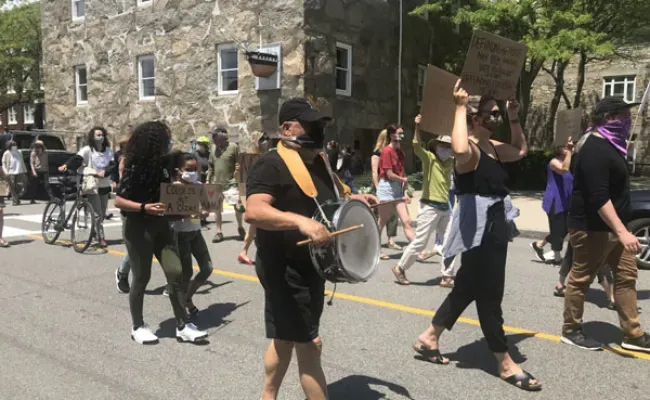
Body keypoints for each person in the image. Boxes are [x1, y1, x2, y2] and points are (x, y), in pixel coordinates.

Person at [413, 81, 542, 391]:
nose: (496, 116)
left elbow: (521, 150)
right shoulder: (468, 148)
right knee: (490, 293)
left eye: (498, 113)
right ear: (474, 117)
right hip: (480, 228)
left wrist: (513, 118)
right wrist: (458, 106)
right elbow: (457, 148)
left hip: (496, 222)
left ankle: (429, 338)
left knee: (468, 285)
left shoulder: (493, 148)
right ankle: (503, 360)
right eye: (491, 113)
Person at [245, 98, 376, 400]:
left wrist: (356, 199)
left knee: (285, 338)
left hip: (311, 265)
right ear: (286, 128)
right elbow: (254, 211)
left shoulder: (318, 161)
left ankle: (267, 396)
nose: (318, 129)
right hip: (285, 268)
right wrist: (300, 222)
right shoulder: (271, 164)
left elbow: (327, 202)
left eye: (320, 124)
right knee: (309, 343)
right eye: (310, 123)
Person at [561, 96, 650, 353]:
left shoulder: (613, 145)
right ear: (609, 118)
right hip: (592, 228)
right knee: (581, 278)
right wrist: (622, 231)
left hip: (615, 228)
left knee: (626, 278)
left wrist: (621, 229)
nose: (628, 120)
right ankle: (571, 329)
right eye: (624, 115)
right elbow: (599, 197)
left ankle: (633, 334)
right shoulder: (593, 149)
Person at [115, 121, 207, 344]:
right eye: (166, 140)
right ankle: (138, 326)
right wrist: (144, 207)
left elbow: (185, 167)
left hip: (163, 225)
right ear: (153, 143)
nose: (169, 144)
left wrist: (186, 209)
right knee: (142, 277)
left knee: (175, 273)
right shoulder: (135, 167)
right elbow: (119, 200)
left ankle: (183, 325)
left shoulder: (165, 165)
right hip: (138, 226)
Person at [392, 114, 454, 285]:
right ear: (436, 147)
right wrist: (417, 127)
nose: (445, 148)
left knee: (449, 241)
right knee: (420, 242)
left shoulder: (450, 162)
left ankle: (447, 275)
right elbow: (416, 146)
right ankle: (400, 268)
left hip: (445, 206)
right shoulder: (429, 158)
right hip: (429, 207)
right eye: (443, 145)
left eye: (448, 146)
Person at [169, 151, 214, 320]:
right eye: (188, 169)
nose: (192, 172)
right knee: (186, 274)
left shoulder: (198, 185)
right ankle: (182, 310)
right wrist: (185, 214)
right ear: (179, 170)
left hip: (195, 232)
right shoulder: (173, 188)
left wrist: (204, 212)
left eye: (195, 168)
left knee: (207, 268)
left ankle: (187, 297)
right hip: (179, 234)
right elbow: (168, 215)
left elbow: (207, 206)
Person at [59, 127, 115, 248]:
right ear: (92, 137)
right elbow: (76, 159)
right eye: (98, 135)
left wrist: (105, 172)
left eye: (102, 135)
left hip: (104, 184)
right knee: (98, 214)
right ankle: (100, 237)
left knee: (102, 213)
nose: (100, 137)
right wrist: (66, 165)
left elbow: (112, 165)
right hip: (91, 184)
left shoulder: (108, 151)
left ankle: (95, 233)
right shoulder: (87, 150)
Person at [531, 138, 575, 265]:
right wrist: (570, 151)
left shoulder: (566, 161)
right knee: (557, 230)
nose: (568, 150)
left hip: (565, 202)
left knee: (565, 228)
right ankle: (557, 258)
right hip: (554, 202)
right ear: (560, 151)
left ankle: (539, 245)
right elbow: (564, 169)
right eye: (565, 148)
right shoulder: (554, 162)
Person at [376, 124, 414, 245]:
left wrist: (405, 191)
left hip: (397, 188)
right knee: (382, 221)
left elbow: (401, 172)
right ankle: (374, 248)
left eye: (403, 133)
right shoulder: (387, 151)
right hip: (387, 187)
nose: (402, 135)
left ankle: (418, 250)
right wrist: (402, 179)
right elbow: (389, 174)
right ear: (392, 135)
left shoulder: (401, 153)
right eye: (400, 133)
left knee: (407, 221)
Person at [207, 127, 244, 242]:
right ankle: (219, 232)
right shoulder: (213, 149)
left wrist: (238, 177)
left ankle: (240, 227)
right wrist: (208, 180)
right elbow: (210, 166)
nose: (214, 141)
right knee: (216, 209)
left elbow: (239, 163)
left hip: (231, 183)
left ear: (223, 138)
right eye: (213, 139)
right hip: (216, 183)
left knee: (237, 207)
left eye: (216, 139)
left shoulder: (233, 147)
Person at [371, 130, 400, 260]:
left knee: (392, 216)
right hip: (382, 188)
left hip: (393, 188)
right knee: (381, 219)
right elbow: (374, 172)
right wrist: (378, 189)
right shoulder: (377, 153)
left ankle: (390, 240)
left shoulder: (393, 152)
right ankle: (375, 247)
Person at [2, 140, 27, 206]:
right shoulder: (6, 153)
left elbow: (22, 162)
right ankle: (15, 200)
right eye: (13, 145)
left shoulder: (19, 152)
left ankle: (17, 198)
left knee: (19, 186)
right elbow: (3, 163)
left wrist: (24, 170)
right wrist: (5, 171)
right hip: (11, 172)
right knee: (12, 187)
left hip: (19, 171)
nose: (14, 147)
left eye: (15, 145)